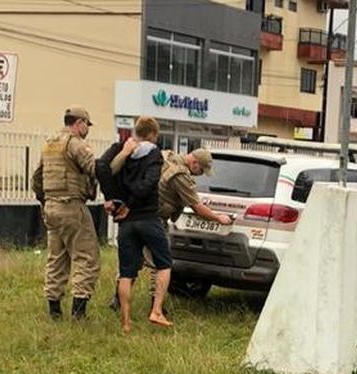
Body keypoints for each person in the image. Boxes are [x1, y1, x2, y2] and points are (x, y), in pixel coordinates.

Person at [107, 147, 233, 312]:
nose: (200, 174)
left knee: (131, 261)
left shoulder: (166, 156)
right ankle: (156, 307)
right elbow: (197, 206)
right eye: (201, 170)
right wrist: (218, 218)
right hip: (153, 221)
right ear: (195, 163)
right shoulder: (180, 175)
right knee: (161, 264)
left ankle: (117, 300)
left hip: (133, 215)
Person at [95, 116, 171, 331]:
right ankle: (156, 311)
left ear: (136, 131)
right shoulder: (154, 153)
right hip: (148, 218)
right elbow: (150, 182)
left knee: (126, 272)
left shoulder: (121, 148)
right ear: (153, 134)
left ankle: (126, 322)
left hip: (125, 222)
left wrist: (113, 199)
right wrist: (131, 203)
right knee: (164, 264)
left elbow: (101, 167)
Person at [30, 107, 100, 320]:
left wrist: (45, 201)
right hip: (71, 206)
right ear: (79, 123)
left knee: (56, 259)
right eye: (87, 124)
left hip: (51, 207)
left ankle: (54, 310)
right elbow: (94, 169)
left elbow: (37, 178)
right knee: (86, 257)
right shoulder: (75, 144)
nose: (88, 129)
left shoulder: (50, 144)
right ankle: (79, 313)